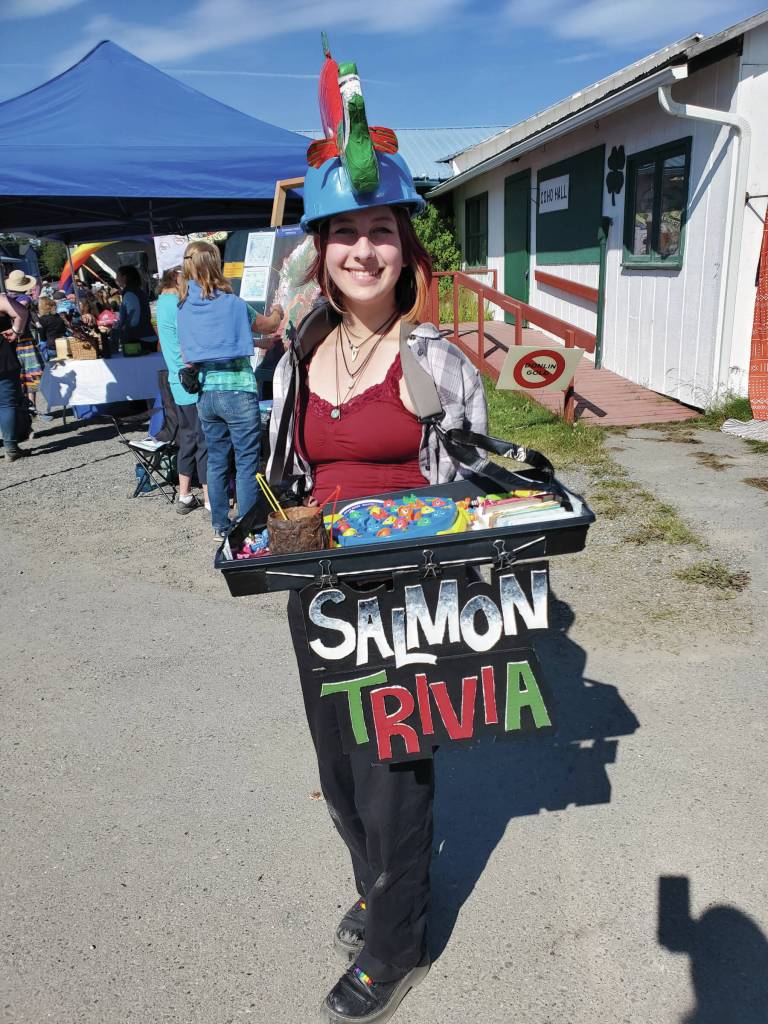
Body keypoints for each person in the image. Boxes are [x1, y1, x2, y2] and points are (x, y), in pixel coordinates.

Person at [267, 65, 487, 1024]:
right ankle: (376, 888)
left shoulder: (435, 357)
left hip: (407, 597)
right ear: (323, 250)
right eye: (346, 233)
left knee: (396, 778)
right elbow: (286, 469)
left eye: (381, 233)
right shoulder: (301, 347)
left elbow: (478, 485)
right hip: (316, 593)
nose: (364, 249)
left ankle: (399, 942)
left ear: (406, 250)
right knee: (338, 769)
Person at [176, 240, 282, 540]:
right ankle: (246, 527)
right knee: (247, 461)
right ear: (214, 264)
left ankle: (221, 527)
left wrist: (258, 344)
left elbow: (207, 348)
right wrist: (278, 311)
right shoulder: (234, 304)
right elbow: (267, 323)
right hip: (238, 392)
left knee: (218, 459)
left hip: (207, 394)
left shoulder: (185, 308)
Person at [155, 266, 209, 515]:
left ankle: (185, 494)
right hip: (190, 380)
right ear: (178, 280)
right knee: (203, 439)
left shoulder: (162, 303)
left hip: (177, 381)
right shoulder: (177, 304)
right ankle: (209, 497)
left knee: (188, 438)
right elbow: (191, 341)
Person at [5, 270, 43, 416]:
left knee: (26, 375)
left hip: (17, 341)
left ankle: (30, 405)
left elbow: (21, 305)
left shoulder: (21, 298)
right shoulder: (18, 298)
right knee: (26, 374)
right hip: (22, 341)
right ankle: (26, 405)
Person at [0, 291, 30, 460]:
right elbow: (22, 312)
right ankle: (10, 447)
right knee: (6, 403)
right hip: (3, 357)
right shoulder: (1, 299)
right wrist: (16, 330)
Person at [114, 265, 157, 356]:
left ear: (124, 277)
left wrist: (121, 329)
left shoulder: (129, 294)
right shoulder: (138, 291)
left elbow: (133, 319)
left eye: (117, 276)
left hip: (140, 340)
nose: (116, 279)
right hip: (147, 337)